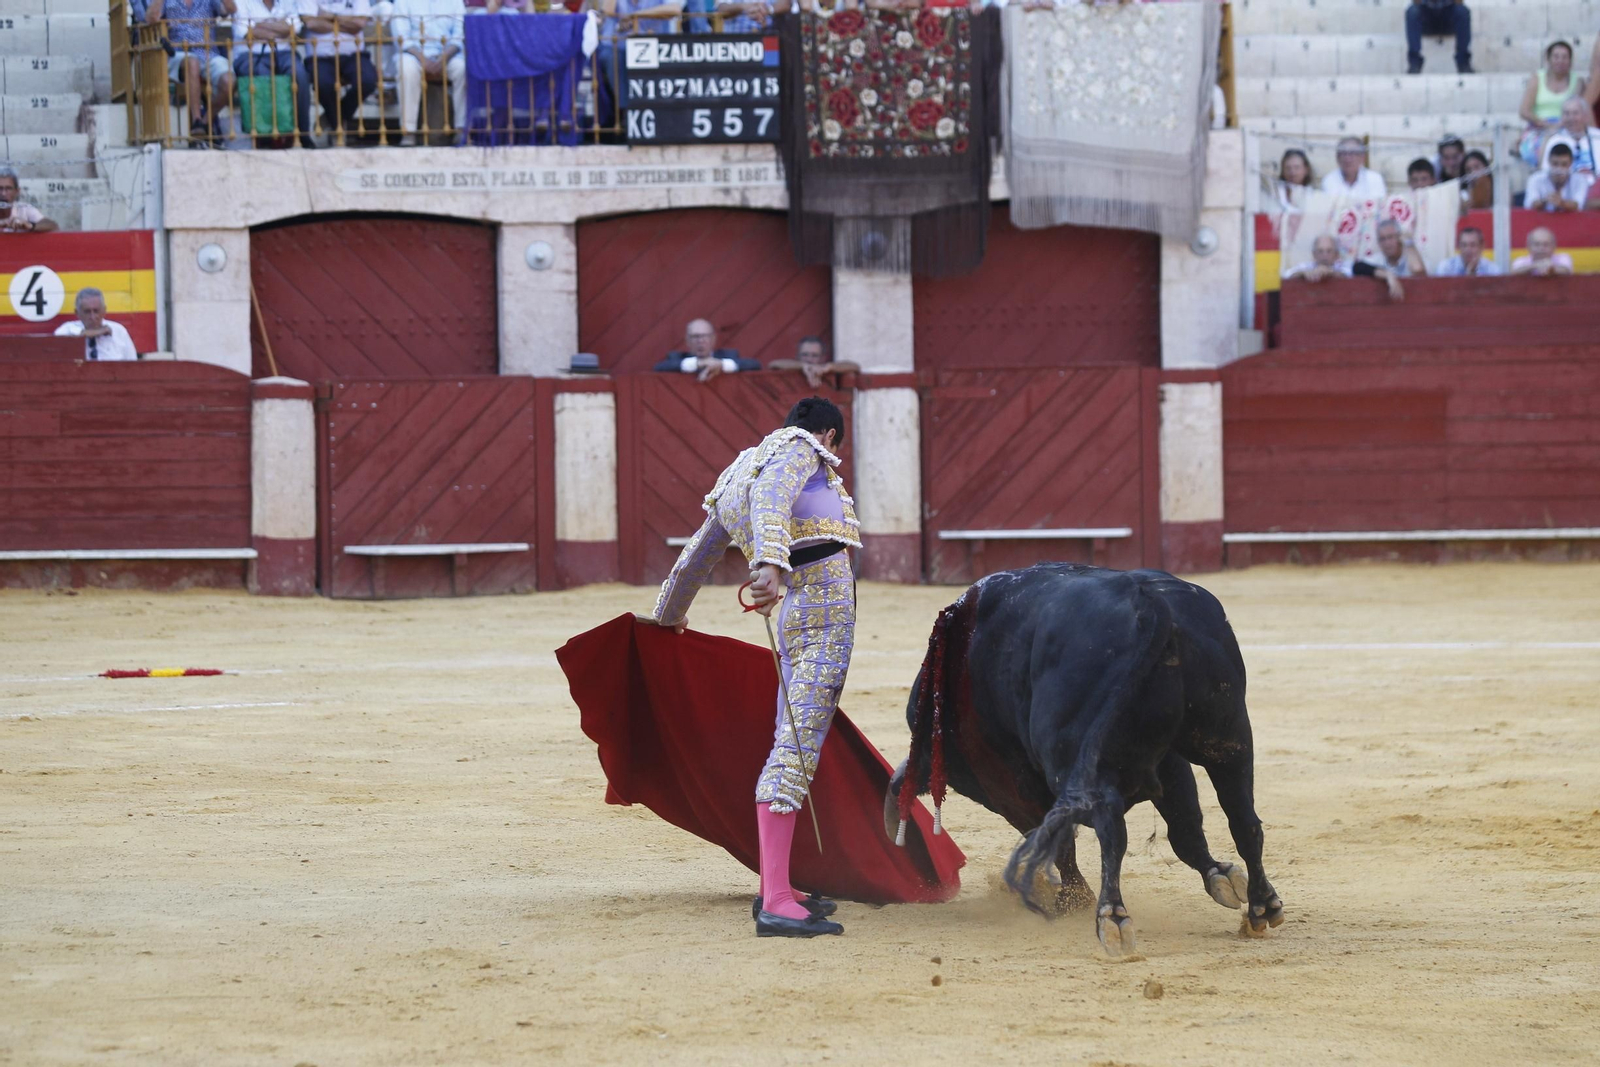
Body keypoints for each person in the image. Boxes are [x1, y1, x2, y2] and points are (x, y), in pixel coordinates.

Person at [643, 397, 861, 938]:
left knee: (789, 733)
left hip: (792, 614)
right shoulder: (800, 448)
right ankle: (777, 901)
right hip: (823, 608)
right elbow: (773, 499)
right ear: (829, 436)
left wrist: (666, 617)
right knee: (795, 746)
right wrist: (770, 565)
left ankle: (779, 885)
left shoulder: (741, 466)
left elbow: (697, 554)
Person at [145, 0, 237, 146]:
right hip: (178, 54)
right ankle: (197, 120)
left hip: (208, 53)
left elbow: (231, 9)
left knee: (229, 81)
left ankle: (205, 123)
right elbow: (151, 18)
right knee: (192, 62)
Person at [232, 0, 318, 148]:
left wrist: (260, 25)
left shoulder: (288, 2)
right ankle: (266, 135)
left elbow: (293, 30)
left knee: (300, 76)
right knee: (263, 77)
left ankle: (302, 133)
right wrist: (280, 26)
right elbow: (247, 32)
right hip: (251, 54)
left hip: (283, 52)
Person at [594, 0, 685, 121]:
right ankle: (626, 112)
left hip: (653, 46)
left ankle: (653, 114)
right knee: (611, 57)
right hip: (619, 46)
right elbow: (607, 10)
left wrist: (636, 16)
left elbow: (675, 9)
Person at [392, 0, 467, 146]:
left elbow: (460, 35)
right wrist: (424, 60)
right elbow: (402, 38)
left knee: (463, 69)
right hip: (414, 55)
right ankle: (409, 132)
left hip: (447, 55)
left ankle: (461, 129)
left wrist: (443, 59)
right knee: (406, 69)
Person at [302, 0, 377, 145]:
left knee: (367, 80)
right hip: (320, 55)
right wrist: (346, 22)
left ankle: (334, 116)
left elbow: (359, 24)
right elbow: (311, 23)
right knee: (323, 84)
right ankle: (337, 123)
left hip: (353, 54)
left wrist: (328, 17)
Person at [1519, 41, 1585, 166]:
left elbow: (1577, 108)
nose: (1560, 61)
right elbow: (1524, 111)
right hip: (1539, 127)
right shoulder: (1537, 78)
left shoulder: (1577, 81)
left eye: (1565, 57)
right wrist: (1545, 124)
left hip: (1567, 126)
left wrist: (1559, 125)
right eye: (1556, 57)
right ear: (1548, 59)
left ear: (1570, 61)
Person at [653, 319, 762, 380]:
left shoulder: (728, 355)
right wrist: (698, 364)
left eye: (705, 336)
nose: (700, 341)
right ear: (687, 341)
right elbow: (659, 367)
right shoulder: (676, 358)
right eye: (695, 337)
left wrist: (720, 364)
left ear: (713, 339)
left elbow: (755, 364)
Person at [53, 288, 139, 361]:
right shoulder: (66, 330)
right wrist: (100, 331)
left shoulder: (119, 331)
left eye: (96, 311)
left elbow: (132, 364)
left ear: (104, 310)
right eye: (87, 312)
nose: (93, 317)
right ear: (77, 313)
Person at [1354, 218, 1424, 301]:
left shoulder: (1412, 256)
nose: (1387, 243)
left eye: (1390, 237)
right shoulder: (1379, 258)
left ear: (1399, 238)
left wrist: (1408, 243)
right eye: (1382, 239)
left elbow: (1418, 271)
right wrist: (1388, 275)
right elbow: (1357, 267)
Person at [1405, 0, 1471, 75]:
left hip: (1448, 18)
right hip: (1427, 18)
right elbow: (1416, 2)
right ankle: (1414, 63)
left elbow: (1459, 2)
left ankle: (1463, 63)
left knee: (1462, 11)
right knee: (1412, 11)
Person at [768, 336, 860, 389]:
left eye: (814, 355)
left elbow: (855, 366)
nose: (809, 359)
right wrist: (804, 366)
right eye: (805, 355)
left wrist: (828, 367)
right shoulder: (794, 366)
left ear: (822, 358)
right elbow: (774, 364)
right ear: (798, 356)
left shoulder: (826, 368)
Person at [1525, 143, 1594, 212]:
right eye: (1555, 164)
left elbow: (1579, 205)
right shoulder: (1535, 179)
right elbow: (1530, 205)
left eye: (1564, 164)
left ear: (1571, 163)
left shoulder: (1580, 180)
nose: (1559, 169)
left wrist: (1561, 203)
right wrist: (1545, 200)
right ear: (1549, 161)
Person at [1539, 96, 1599, 174]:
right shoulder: (1555, 140)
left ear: (1585, 116)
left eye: (1575, 113)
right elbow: (1546, 172)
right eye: (1567, 114)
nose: (1571, 118)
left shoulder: (1597, 137)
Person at [1321, 138, 1387, 199]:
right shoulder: (1329, 180)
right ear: (1337, 158)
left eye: (1352, 153)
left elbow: (1377, 207)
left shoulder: (1375, 179)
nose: (1347, 158)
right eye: (1344, 153)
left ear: (1362, 158)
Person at [0, 168, 59, 233]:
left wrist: (30, 225)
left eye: (8, 188)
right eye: (0, 188)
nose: (3, 193)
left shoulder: (24, 209)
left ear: (17, 191)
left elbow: (53, 226)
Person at [1432, 226, 1500, 276]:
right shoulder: (1446, 268)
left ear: (1481, 247)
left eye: (1473, 245)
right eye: (1464, 245)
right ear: (1459, 247)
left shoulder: (1491, 269)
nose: (1468, 249)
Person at [1275, 148, 1313, 212]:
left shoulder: (1312, 196)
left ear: (1306, 170)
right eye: (1288, 168)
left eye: (1297, 167)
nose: (1292, 172)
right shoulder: (1276, 194)